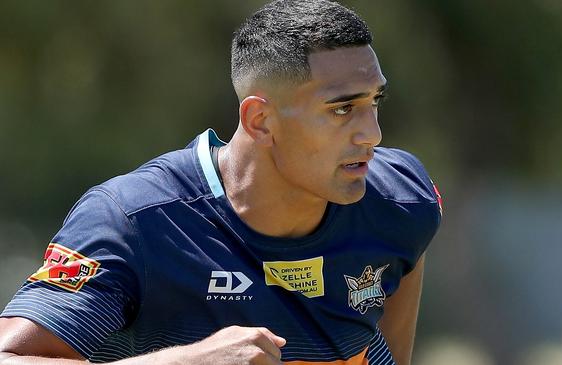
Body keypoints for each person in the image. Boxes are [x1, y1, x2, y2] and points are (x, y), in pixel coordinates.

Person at [0, 0, 442, 364]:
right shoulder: (134, 220)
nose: (373, 134)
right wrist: (184, 362)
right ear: (260, 120)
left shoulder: (401, 199)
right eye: (342, 109)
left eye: (374, 102)